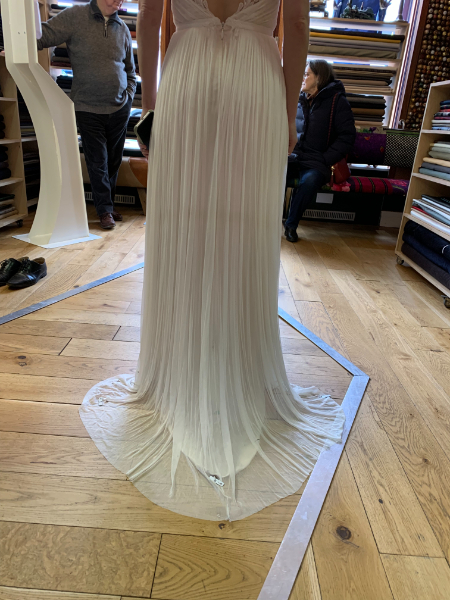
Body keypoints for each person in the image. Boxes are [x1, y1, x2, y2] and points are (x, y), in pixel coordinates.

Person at [80, 0, 345, 521]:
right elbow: (295, 24)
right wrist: (287, 112)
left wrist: (150, 106)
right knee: (245, 226)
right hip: (255, 81)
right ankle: (238, 368)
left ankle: (181, 370)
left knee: (186, 220)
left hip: (188, 76)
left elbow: (151, 20)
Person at [38, 0, 136, 230]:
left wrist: (129, 96)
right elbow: (43, 35)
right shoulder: (75, 16)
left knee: (113, 161)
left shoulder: (122, 28)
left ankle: (108, 205)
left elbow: (130, 70)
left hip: (119, 108)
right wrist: (17, 46)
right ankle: (104, 211)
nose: (120, 0)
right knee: (97, 161)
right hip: (87, 107)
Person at [285, 60, 356, 243]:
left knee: (309, 181)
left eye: (307, 74)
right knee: (271, 175)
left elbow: (347, 137)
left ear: (319, 78)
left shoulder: (337, 102)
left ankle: (291, 225)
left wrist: (325, 159)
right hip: (293, 158)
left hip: (317, 162)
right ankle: (266, 222)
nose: (303, 78)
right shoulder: (298, 98)